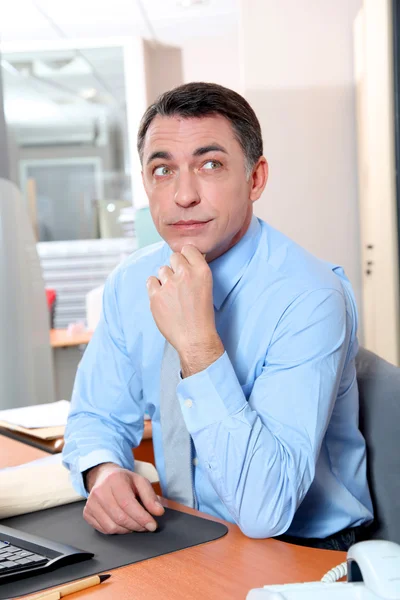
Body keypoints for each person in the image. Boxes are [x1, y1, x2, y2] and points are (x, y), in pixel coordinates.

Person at [63, 82, 373, 549]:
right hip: (183, 530)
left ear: (255, 179)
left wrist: (197, 345)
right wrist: (102, 471)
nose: (183, 195)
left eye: (210, 165)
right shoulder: (131, 282)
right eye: (163, 169)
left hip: (301, 550)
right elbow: (95, 414)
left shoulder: (311, 298)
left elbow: (265, 510)